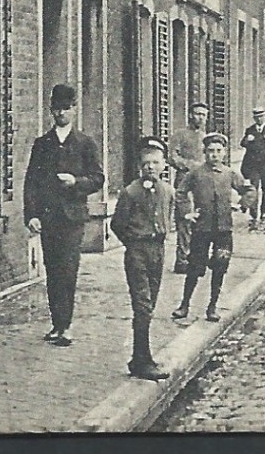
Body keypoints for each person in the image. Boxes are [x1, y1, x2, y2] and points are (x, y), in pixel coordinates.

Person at [23, 84, 105, 346]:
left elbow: (98, 178)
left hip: (72, 218)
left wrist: (76, 182)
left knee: (68, 269)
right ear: (51, 111)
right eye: (56, 109)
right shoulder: (42, 144)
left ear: (74, 110)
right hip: (48, 218)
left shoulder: (84, 143)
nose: (61, 113)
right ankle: (56, 324)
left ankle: (66, 326)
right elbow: (31, 182)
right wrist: (31, 215)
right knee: (52, 269)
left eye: (65, 108)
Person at [110, 140, 174, 380]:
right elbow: (117, 224)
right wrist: (133, 242)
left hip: (158, 251)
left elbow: (169, 216)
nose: (150, 167)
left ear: (163, 165)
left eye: (155, 162)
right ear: (139, 165)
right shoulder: (130, 192)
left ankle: (143, 357)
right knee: (142, 306)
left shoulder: (167, 190)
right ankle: (140, 360)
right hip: (137, 251)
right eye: (146, 162)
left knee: (151, 304)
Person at [173, 132, 252, 323]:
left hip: (224, 230)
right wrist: (187, 214)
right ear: (204, 153)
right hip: (202, 229)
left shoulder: (230, 173)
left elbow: (248, 189)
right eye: (210, 151)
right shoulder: (196, 173)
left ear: (224, 153)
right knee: (194, 267)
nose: (214, 155)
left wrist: (242, 204)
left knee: (220, 267)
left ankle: (212, 306)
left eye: (218, 151)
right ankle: (184, 304)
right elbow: (180, 193)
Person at [171, 103, 208, 274]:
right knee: (185, 219)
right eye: (197, 114)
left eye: (203, 115)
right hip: (184, 183)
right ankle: (182, 259)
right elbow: (172, 156)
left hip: (201, 184)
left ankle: (196, 258)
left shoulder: (205, 138)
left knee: (200, 220)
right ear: (190, 115)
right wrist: (190, 165)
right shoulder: (180, 135)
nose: (200, 117)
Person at [239, 107, 265, 232]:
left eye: (261, 116)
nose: (259, 119)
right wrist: (247, 140)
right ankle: (253, 216)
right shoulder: (250, 130)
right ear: (254, 118)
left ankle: (264, 214)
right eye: (257, 117)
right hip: (253, 166)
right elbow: (242, 143)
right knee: (254, 189)